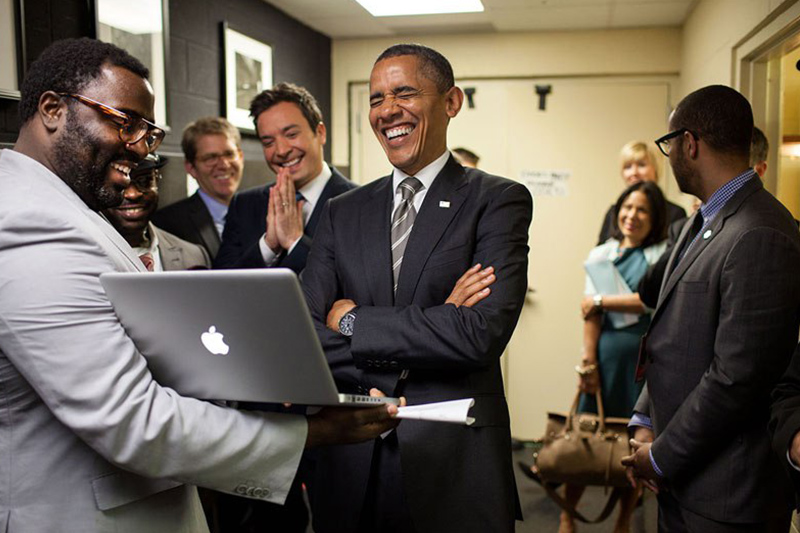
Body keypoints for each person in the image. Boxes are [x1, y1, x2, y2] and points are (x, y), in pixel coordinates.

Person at [0, 37, 403, 532]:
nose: (137, 149)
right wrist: (309, 433)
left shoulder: (62, 212)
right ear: (51, 109)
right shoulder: (31, 223)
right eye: (124, 122)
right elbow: (133, 419)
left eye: (147, 133)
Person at [302, 43, 532, 533]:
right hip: (350, 461)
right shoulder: (343, 211)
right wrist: (438, 319)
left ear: (451, 102)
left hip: (454, 467)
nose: (387, 111)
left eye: (404, 93)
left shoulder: (498, 200)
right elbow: (302, 332)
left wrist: (352, 319)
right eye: (375, 99)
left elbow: (478, 334)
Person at [623, 85, 800, 532]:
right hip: (683, 480)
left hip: (726, 498)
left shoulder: (761, 232)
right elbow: (668, 337)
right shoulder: (697, 222)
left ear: (690, 142)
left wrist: (660, 457)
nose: (669, 157)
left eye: (669, 145)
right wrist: (645, 421)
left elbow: (737, 378)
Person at [559, 181, 668, 533]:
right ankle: (567, 514)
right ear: (617, 210)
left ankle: (624, 519)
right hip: (605, 359)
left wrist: (603, 301)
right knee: (587, 436)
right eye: (627, 207)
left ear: (655, 219)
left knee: (633, 439)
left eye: (642, 210)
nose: (632, 216)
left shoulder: (661, 254)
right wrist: (587, 362)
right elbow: (588, 313)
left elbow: (650, 301)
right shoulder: (601, 254)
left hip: (644, 361)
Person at [214, 82, 356, 271]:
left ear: (320, 133)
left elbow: (356, 287)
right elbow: (222, 287)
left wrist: (295, 241)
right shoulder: (244, 205)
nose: (281, 151)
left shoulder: (359, 204)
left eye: (291, 134)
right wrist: (268, 246)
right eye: (268, 142)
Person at [152, 117, 244, 259]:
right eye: (210, 158)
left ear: (241, 157)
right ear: (191, 168)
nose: (224, 165)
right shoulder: (166, 224)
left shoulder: (262, 212)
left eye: (229, 154)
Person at [103, 153, 210, 271]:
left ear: (157, 182)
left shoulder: (193, 256)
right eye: (119, 185)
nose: (133, 194)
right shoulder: (84, 252)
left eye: (144, 181)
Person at [597, 141, 686, 245]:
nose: (634, 173)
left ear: (656, 169)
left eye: (641, 165)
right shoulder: (613, 211)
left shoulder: (675, 213)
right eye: (628, 167)